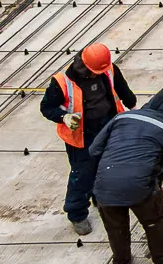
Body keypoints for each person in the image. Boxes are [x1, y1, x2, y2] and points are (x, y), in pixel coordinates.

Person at [39, 42, 137, 237]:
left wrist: (133, 107)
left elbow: (122, 88)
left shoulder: (107, 69)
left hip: (108, 127)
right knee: (82, 174)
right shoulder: (61, 82)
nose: (97, 75)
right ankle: (76, 213)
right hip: (82, 136)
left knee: (106, 167)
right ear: (84, 66)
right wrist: (63, 117)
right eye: (94, 72)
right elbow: (46, 107)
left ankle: (99, 197)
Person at [86, 86, 163, 264]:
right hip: (140, 187)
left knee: (116, 228)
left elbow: (94, 150)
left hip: (105, 185)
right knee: (153, 223)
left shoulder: (122, 117)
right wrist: (151, 175)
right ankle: (161, 261)